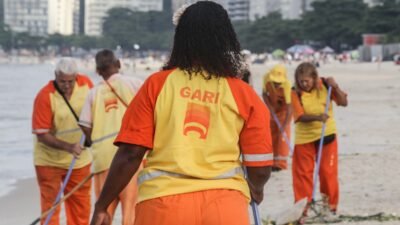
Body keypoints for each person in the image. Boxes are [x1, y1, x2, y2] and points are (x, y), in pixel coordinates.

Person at [90, 2, 273, 225]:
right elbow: (260, 167)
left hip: (163, 207)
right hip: (225, 207)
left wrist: (102, 205)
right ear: (227, 39)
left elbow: (130, 153)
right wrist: (256, 189)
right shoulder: (243, 93)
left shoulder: (157, 85)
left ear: (180, 38)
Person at [79, 49, 143, 225]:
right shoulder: (135, 84)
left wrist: (89, 140)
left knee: (103, 210)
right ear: (119, 64)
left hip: (102, 159)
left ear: (98, 71)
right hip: (130, 156)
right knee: (130, 210)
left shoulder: (93, 93)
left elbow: (84, 125)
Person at [32, 58, 93, 225]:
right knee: (51, 207)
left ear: (76, 77)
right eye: (62, 81)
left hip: (79, 161)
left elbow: (95, 110)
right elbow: (42, 134)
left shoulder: (86, 84)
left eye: (70, 81)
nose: (66, 85)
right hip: (49, 161)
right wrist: (69, 147)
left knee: (80, 208)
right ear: (55, 76)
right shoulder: (45, 96)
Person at [291, 62, 348, 219]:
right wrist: (318, 117)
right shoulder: (295, 92)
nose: (303, 84)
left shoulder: (325, 85)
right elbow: (299, 117)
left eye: (306, 81)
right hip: (304, 139)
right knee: (303, 176)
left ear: (314, 78)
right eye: (300, 81)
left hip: (327, 136)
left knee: (327, 173)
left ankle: (330, 208)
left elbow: (344, 103)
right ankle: (302, 210)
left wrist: (335, 86)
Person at [262, 64, 292, 171]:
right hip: (272, 108)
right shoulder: (266, 78)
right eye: (275, 82)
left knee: (283, 136)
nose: (277, 84)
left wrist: (285, 125)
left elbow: (289, 108)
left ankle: (281, 164)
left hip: (284, 111)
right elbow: (264, 94)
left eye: (279, 83)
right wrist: (269, 107)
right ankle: (272, 162)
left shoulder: (287, 85)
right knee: (272, 134)